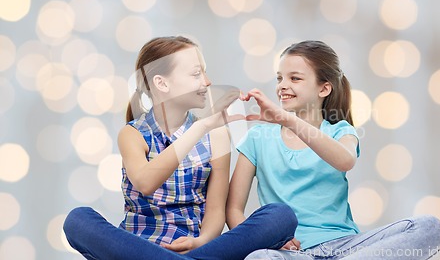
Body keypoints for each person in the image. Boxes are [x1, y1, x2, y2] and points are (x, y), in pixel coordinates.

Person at [63, 36, 297, 260]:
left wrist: (201, 241)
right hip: (136, 246)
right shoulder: (133, 134)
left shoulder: (216, 135)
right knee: (78, 220)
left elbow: (216, 210)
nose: (207, 81)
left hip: (195, 247)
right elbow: (145, 182)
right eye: (196, 74)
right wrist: (200, 127)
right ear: (161, 83)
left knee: (280, 217)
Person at [226, 40, 440, 259]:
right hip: (292, 254)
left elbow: (345, 160)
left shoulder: (342, 131)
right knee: (259, 258)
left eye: (295, 78)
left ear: (324, 88)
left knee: (430, 226)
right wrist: (267, 240)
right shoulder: (258, 138)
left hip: (346, 248)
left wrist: (286, 120)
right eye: (279, 78)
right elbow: (234, 210)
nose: (282, 85)